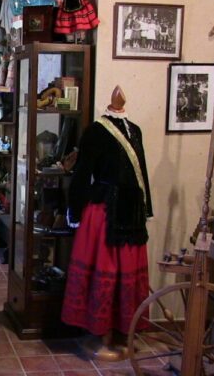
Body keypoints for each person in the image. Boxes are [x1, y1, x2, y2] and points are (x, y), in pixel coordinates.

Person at [62, 86, 153, 361]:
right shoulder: (96, 131)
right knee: (108, 271)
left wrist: (73, 211)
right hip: (106, 212)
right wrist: (76, 209)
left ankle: (123, 333)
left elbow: (141, 173)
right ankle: (103, 334)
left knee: (124, 274)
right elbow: (84, 173)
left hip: (124, 213)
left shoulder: (134, 130)